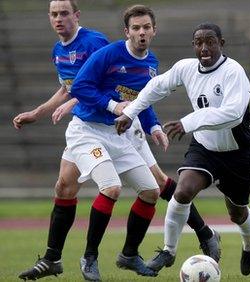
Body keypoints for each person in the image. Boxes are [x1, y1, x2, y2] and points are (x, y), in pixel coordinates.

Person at [15, 2, 219, 281]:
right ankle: (88, 258)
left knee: (151, 190)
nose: (142, 32)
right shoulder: (103, 52)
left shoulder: (147, 62)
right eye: (136, 28)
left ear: (154, 31)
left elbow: (143, 99)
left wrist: (154, 126)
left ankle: (129, 254)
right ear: (127, 31)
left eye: (146, 27)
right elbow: (80, 86)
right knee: (102, 187)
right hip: (89, 130)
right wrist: (112, 106)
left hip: (122, 132)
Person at [115, 22, 250, 276]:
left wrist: (188, 122)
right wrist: (130, 111)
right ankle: (168, 251)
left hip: (237, 153)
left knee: (237, 212)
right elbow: (155, 87)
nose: (204, 48)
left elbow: (234, 114)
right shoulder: (186, 68)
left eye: (210, 42)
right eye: (199, 42)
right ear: (193, 45)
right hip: (204, 147)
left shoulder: (233, 72)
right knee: (182, 192)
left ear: (221, 44)